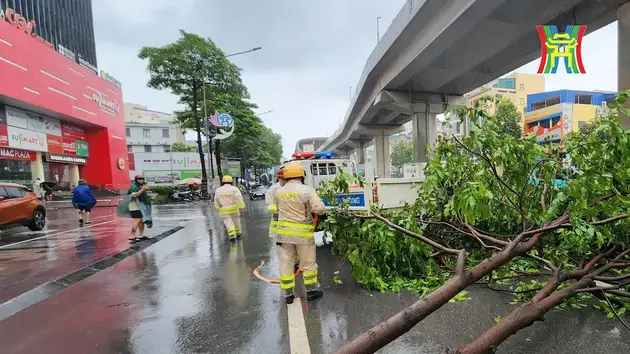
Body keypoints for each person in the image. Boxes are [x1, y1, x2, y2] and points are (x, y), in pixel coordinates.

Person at [271, 163, 325, 304]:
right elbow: (318, 208)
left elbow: (276, 210)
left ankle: (288, 294)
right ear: (301, 175)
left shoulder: (278, 192)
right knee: (308, 264)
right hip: (303, 235)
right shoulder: (307, 190)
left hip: (283, 235)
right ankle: (312, 291)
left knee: (286, 263)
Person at [214, 175, 245, 241]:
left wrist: (218, 207)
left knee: (228, 223)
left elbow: (216, 200)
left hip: (224, 210)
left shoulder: (218, 190)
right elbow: (239, 198)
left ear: (222, 182)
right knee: (236, 221)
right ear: (231, 182)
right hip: (234, 208)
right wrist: (241, 207)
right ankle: (238, 233)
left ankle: (232, 235)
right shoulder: (234, 189)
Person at [127, 175, 152, 242]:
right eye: (139, 179)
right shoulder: (134, 186)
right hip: (134, 206)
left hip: (140, 206)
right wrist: (143, 189)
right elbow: (134, 195)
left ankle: (141, 235)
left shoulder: (141, 186)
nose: (141, 180)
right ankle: (132, 235)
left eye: (142, 179)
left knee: (141, 221)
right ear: (136, 180)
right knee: (137, 220)